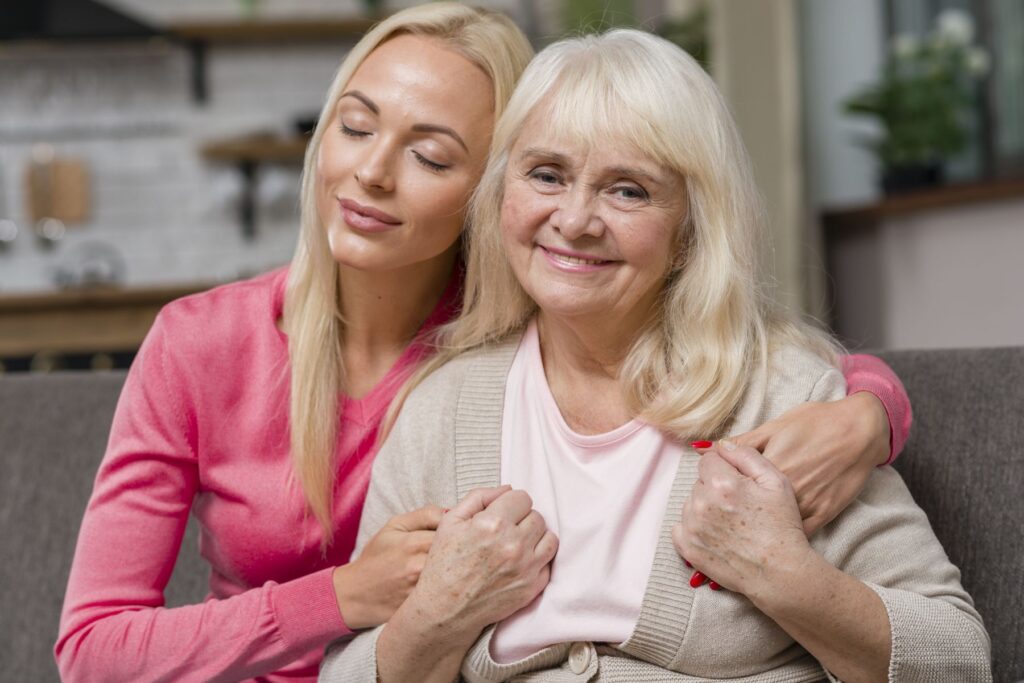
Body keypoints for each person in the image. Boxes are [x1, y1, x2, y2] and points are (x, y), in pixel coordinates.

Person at [56, 5, 908, 682]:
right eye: (355, 128)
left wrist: (871, 409)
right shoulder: (202, 343)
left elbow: (741, 350)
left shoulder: (523, 335)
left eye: (429, 155)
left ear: (491, 188)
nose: (371, 173)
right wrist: (347, 593)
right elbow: (91, 650)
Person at [319, 28, 989, 683]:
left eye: (627, 190)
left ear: (692, 225)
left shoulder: (782, 398)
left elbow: (958, 658)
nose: (576, 219)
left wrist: (785, 577)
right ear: (501, 195)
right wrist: (437, 613)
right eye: (547, 175)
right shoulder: (443, 406)